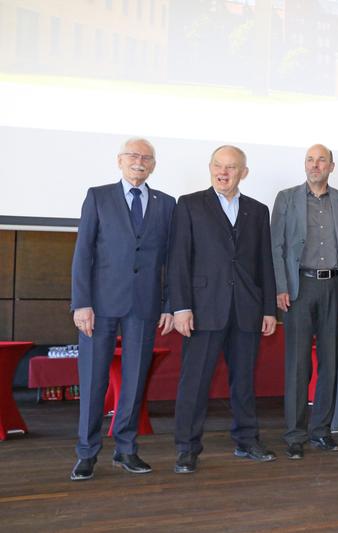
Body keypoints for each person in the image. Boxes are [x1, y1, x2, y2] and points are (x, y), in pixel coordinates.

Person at [70, 138, 175, 481]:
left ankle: (126, 449)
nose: (139, 161)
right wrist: (81, 303)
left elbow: (171, 262)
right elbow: (83, 252)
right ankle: (87, 453)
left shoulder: (166, 204)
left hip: (144, 306)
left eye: (146, 157)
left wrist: (170, 304)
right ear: (120, 161)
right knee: (93, 379)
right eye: (133, 155)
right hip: (98, 307)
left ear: (153, 165)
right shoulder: (98, 196)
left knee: (133, 380)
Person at [168, 145, 278, 474]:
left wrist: (269, 309)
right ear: (210, 167)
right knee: (194, 382)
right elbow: (178, 260)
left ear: (243, 172)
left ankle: (247, 440)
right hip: (202, 309)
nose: (224, 172)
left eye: (232, 167)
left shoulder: (257, 211)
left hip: (246, 310)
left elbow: (264, 264)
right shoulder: (188, 205)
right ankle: (187, 448)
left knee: (243, 381)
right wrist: (181, 307)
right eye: (219, 165)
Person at [271, 144, 338, 460]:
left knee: (330, 362)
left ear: (331, 166)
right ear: (304, 165)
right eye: (310, 159)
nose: (315, 164)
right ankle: (295, 435)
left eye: (321, 160)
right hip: (299, 288)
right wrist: (281, 286)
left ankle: (321, 431)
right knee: (298, 364)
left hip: (335, 286)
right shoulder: (286, 198)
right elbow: (276, 246)